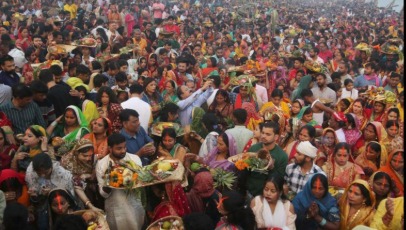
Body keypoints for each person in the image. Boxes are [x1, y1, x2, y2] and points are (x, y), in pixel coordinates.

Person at [95, 133, 145, 230]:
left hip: (134, 205)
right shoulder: (101, 165)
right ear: (110, 148)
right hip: (116, 208)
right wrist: (109, 183)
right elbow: (103, 194)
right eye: (119, 148)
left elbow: (141, 183)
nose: (123, 150)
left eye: (125, 147)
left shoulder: (134, 159)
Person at [25, 153, 74, 230]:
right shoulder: (31, 174)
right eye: (39, 173)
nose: (43, 175)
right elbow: (34, 198)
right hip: (42, 204)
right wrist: (34, 195)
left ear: (51, 167)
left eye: (46, 172)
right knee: (43, 225)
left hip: (60, 202)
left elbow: (69, 194)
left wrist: (52, 192)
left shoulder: (61, 174)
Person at [60, 138, 104, 211]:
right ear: (77, 153)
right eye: (85, 156)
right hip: (73, 190)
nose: (88, 159)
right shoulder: (67, 162)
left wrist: (87, 175)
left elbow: (95, 175)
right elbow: (75, 182)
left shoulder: (94, 159)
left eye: (90, 155)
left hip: (92, 188)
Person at [246, 122, 288, 197]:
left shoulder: (282, 156)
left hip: (267, 196)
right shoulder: (253, 148)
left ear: (276, 137)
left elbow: (279, 180)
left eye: (268, 134)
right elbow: (246, 170)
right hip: (249, 192)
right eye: (263, 133)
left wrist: (271, 168)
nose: (264, 136)